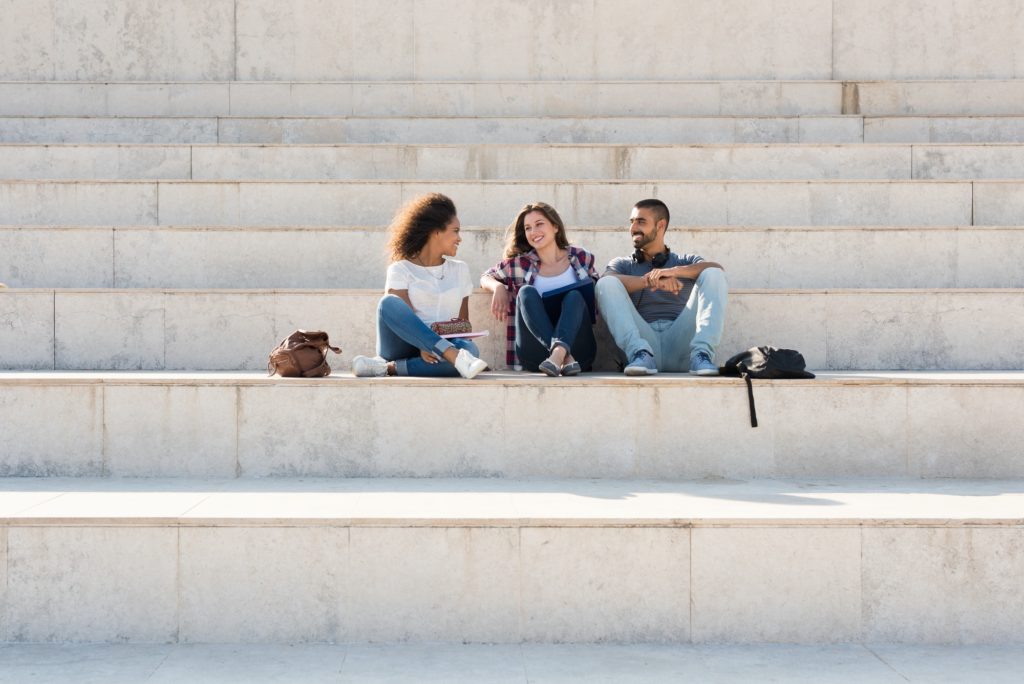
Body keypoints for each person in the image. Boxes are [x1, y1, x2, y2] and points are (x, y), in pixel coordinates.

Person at [351, 193, 488, 379]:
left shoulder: (460, 270)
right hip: (402, 345)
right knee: (389, 303)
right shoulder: (400, 269)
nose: (459, 238)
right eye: (455, 231)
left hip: (441, 349)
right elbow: (402, 319)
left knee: (470, 349)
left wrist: (463, 351)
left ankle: (388, 368)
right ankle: (452, 357)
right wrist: (424, 345)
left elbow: (461, 326)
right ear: (436, 232)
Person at [595, 198, 727, 376]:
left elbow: (717, 269)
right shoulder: (623, 264)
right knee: (605, 283)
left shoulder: (685, 261)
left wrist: (674, 272)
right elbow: (606, 281)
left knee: (713, 273)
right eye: (632, 222)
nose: (633, 228)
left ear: (660, 225)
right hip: (643, 347)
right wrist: (649, 280)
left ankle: (702, 354)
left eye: (641, 222)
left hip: (682, 346)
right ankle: (639, 353)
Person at [480, 202, 599, 375]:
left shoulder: (581, 258)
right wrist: (498, 286)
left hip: (579, 353)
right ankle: (561, 355)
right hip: (536, 356)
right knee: (526, 292)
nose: (533, 232)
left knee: (575, 296)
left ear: (555, 226)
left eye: (539, 224)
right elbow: (486, 276)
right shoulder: (519, 265)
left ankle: (559, 354)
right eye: (528, 228)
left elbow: (596, 291)